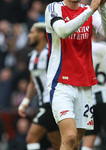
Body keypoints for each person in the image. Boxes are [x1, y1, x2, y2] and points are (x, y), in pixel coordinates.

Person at [44, 0, 106, 149]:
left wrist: (102, 7)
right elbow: (62, 31)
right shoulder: (54, 8)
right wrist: (90, 10)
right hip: (61, 82)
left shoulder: (86, 9)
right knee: (69, 137)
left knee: (76, 142)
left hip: (84, 84)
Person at [18, 22, 61, 150]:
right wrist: (25, 102)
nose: (28, 36)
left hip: (52, 105)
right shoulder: (32, 57)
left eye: (32, 32)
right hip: (43, 104)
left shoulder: (51, 54)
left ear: (42, 34)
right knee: (57, 145)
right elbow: (33, 84)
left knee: (31, 138)